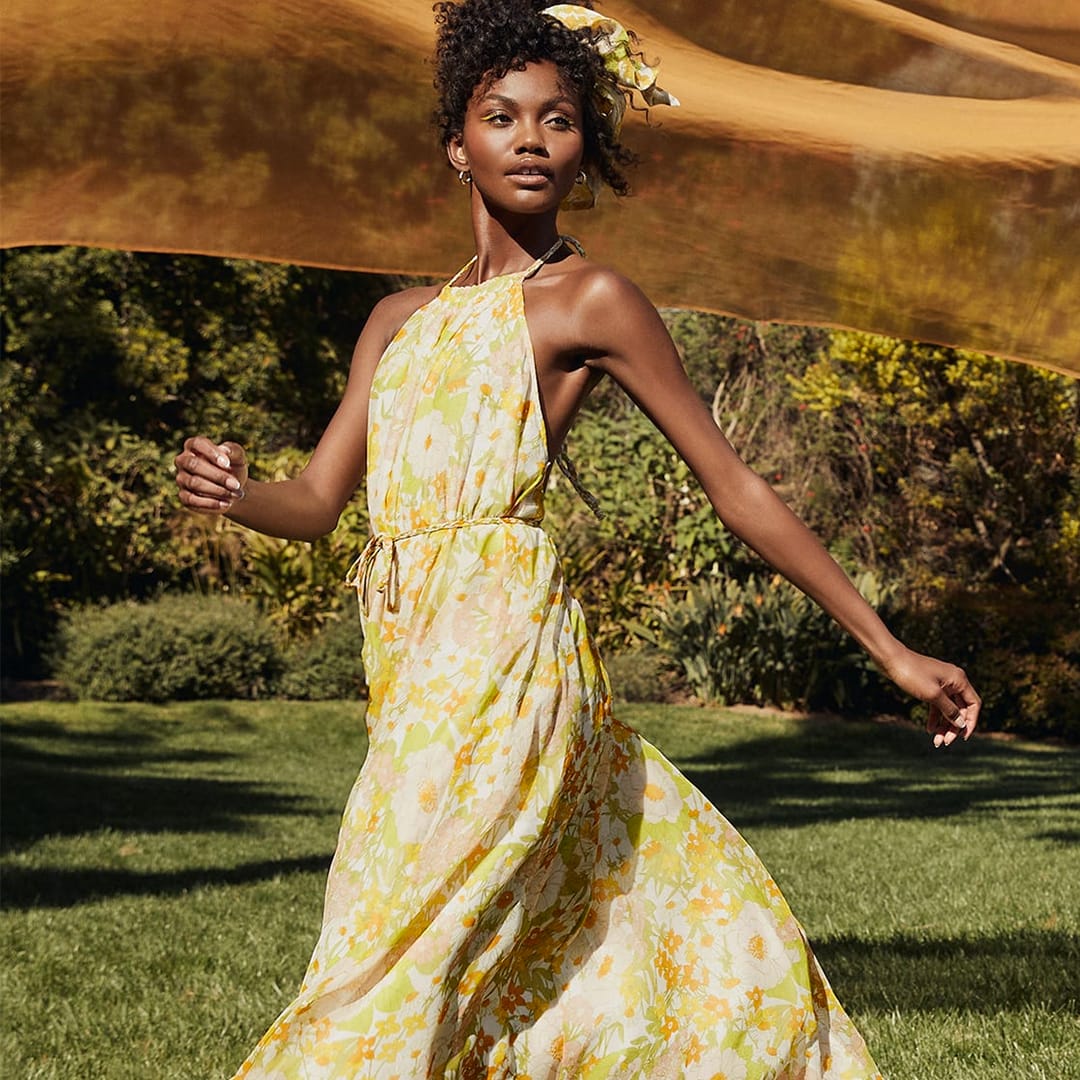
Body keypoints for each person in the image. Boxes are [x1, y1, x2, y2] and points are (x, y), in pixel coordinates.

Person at [175, 2, 980, 1076]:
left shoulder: (587, 298)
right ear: (455, 145)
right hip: (411, 667)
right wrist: (238, 491)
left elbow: (731, 483)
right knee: (480, 913)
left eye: (558, 119)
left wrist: (891, 651)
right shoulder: (398, 322)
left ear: (583, 145)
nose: (530, 138)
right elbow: (321, 500)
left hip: (508, 653)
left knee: (393, 928)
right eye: (500, 115)